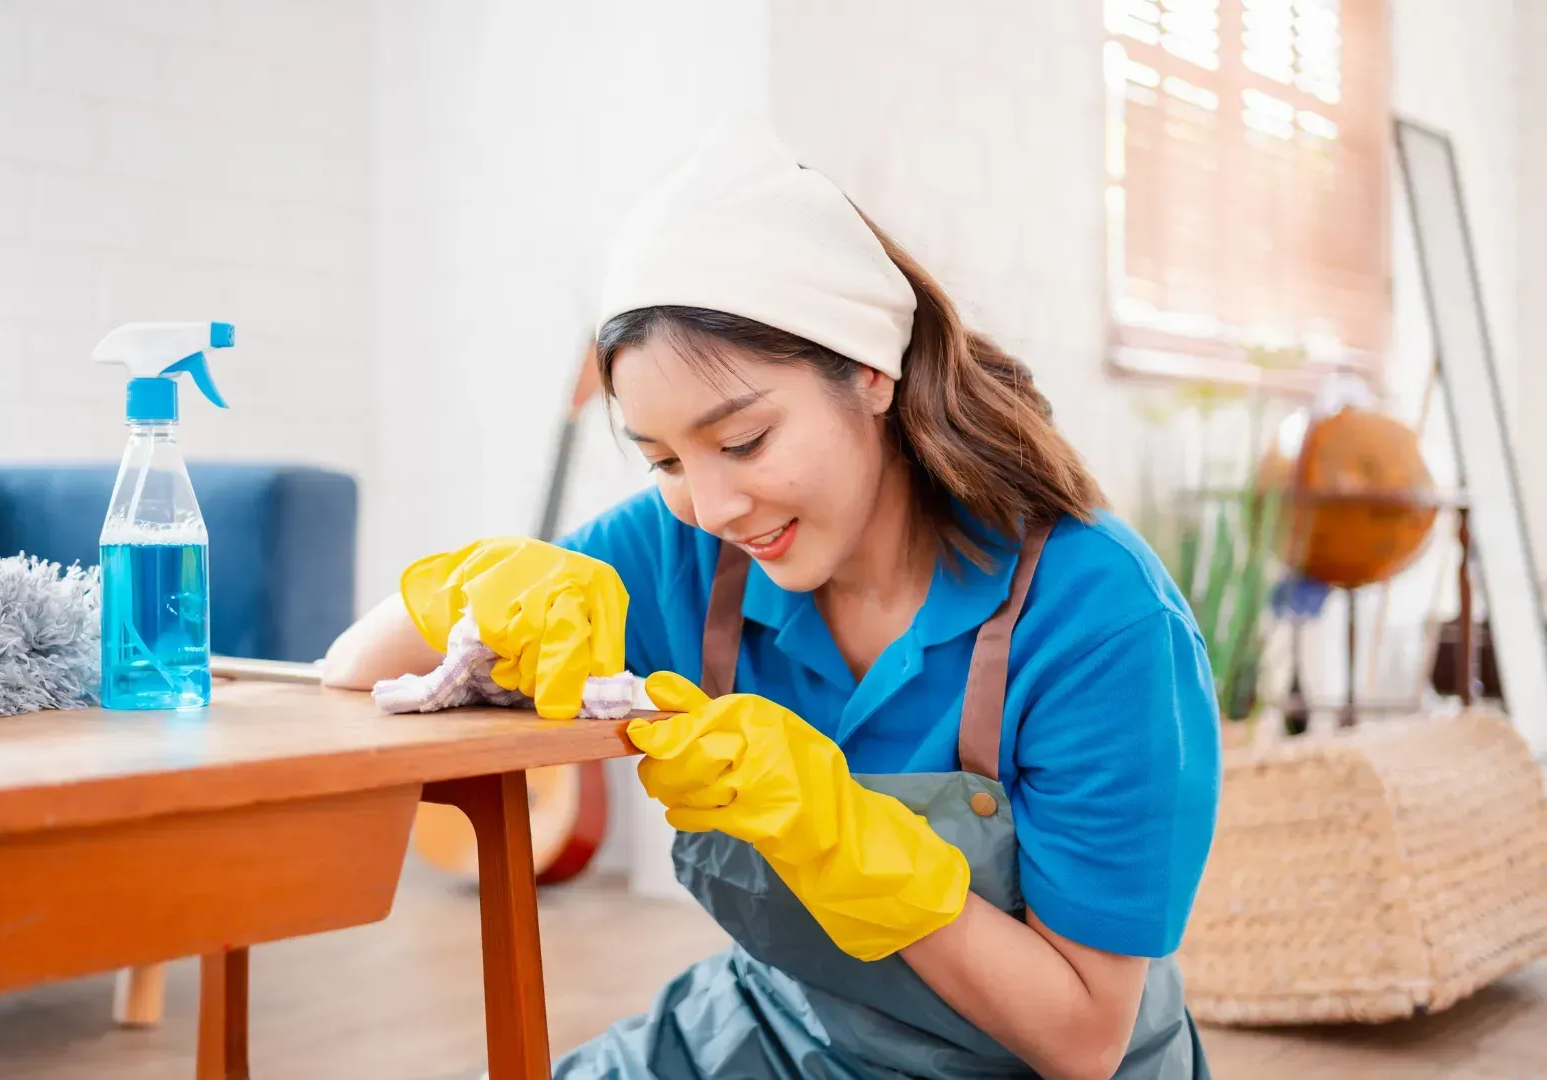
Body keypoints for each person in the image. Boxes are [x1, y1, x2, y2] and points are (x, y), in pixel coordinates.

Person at [321, 116, 1220, 1080]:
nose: (712, 505)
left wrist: (846, 839)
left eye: (743, 441)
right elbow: (350, 673)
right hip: (773, 1033)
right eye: (663, 458)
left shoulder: (1095, 614)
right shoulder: (686, 551)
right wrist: (476, 588)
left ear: (871, 371)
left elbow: (1081, 1036)